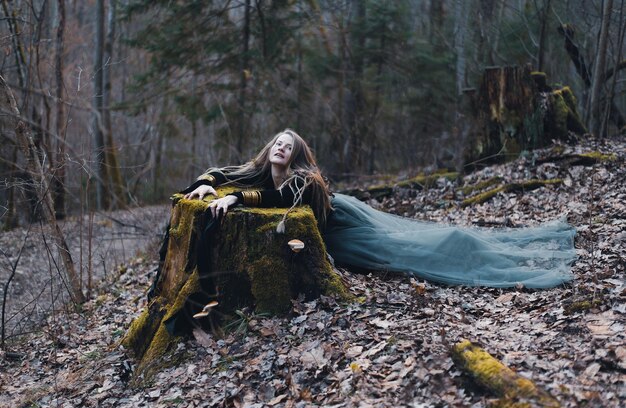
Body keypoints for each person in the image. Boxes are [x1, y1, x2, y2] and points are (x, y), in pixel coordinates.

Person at [183, 129, 577, 289]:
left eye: (290, 144)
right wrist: (206, 184)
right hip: (327, 233)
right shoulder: (256, 173)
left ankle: (488, 253)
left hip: (344, 228)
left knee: (418, 246)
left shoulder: (306, 180)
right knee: (416, 244)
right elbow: (221, 172)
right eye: (277, 142)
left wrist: (235, 198)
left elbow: (282, 202)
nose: (282, 147)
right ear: (269, 150)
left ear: (298, 153)